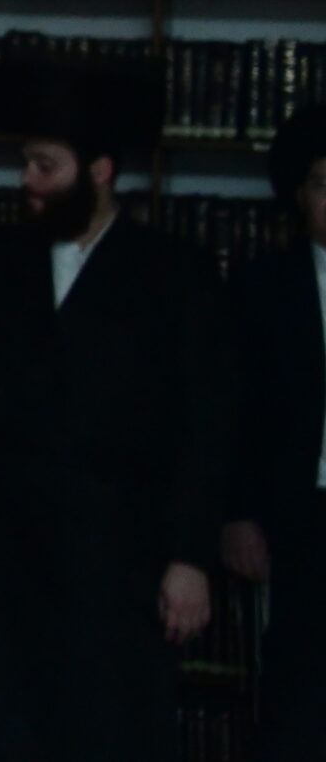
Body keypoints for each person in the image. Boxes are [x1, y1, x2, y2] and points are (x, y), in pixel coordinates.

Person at [0, 37, 229, 762]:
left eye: (44, 166)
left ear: (101, 170)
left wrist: (189, 556)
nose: (26, 178)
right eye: (25, 162)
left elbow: (203, 426)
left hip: (114, 555)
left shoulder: (175, 275)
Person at [221, 101, 326, 761]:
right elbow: (233, 414)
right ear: (300, 194)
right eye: (325, 183)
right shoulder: (263, 289)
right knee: (298, 701)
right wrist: (236, 514)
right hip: (302, 519)